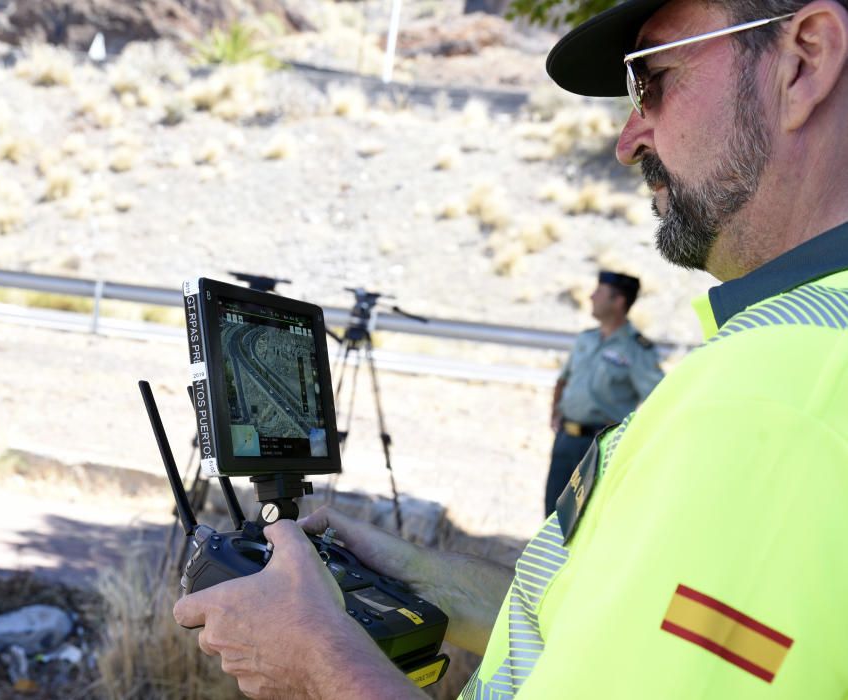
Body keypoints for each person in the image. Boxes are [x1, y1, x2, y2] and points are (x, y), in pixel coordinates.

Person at [172, 0, 848, 697]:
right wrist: (427, 578)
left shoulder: (775, 404)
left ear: (804, 60)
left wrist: (315, 662)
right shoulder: (800, 353)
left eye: (650, 79)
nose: (626, 138)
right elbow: (605, 630)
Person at [546, 270, 663, 515]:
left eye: (599, 292)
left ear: (618, 301)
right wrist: (555, 413)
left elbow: (659, 399)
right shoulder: (586, 339)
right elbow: (564, 379)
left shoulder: (636, 349)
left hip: (599, 447)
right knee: (553, 516)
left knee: (586, 519)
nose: (591, 297)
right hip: (566, 439)